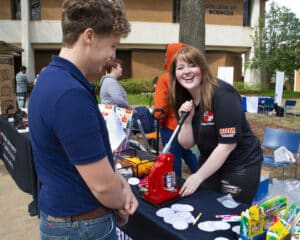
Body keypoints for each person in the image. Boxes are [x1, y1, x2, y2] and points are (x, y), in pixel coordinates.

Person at [28, 1, 138, 239]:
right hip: (82, 225)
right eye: (113, 45)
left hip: (66, 217)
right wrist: (120, 199)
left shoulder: (50, 78)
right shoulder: (69, 93)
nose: (112, 56)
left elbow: (74, 161)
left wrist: (118, 182)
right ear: (89, 36)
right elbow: (101, 186)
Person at [169, 46, 263, 204]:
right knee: (206, 205)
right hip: (210, 160)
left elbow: (227, 145)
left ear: (203, 68)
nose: (186, 71)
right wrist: (186, 122)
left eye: (192, 65)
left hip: (240, 163)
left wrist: (198, 176)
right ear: (175, 74)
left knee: (229, 211)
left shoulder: (223, 95)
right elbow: (187, 144)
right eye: (180, 68)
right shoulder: (184, 96)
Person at [154, 43, 198, 177]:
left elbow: (160, 107)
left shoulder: (165, 78)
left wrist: (158, 121)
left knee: (173, 156)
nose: (165, 58)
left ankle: (176, 184)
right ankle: (201, 174)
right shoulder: (189, 76)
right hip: (188, 122)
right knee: (186, 151)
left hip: (170, 124)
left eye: (166, 55)